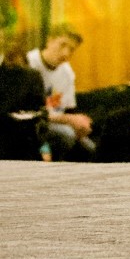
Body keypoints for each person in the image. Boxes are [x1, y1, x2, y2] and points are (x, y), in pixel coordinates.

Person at [25, 23, 95, 160]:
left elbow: (66, 110)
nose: (66, 53)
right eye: (62, 45)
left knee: (92, 149)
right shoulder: (28, 63)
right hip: (31, 126)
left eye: (71, 49)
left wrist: (79, 125)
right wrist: (71, 120)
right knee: (67, 134)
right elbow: (32, 113)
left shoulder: (67, 73)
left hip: (55, 123)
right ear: (49, 41)